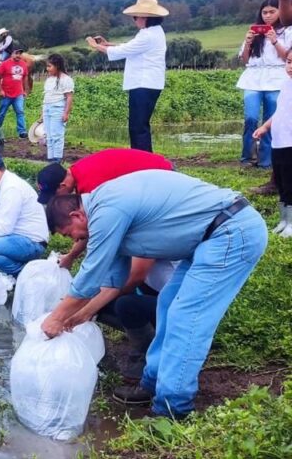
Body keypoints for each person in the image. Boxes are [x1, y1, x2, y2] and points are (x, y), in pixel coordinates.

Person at [42, 170, 267, 419]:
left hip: (230, 231)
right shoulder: (105, 212)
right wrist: (80, 315)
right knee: (167, 305)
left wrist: (56, 318)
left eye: (68, 233)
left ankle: (172, 408)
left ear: (76, 215)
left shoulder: (107, 210)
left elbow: (89, 276)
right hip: (208, 240)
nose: (74, 239)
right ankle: (152, 382)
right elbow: (113, 280)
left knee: (187, 317)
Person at [36, 148, 176, 269]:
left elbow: (94, 228)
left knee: (147, 251)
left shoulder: (91, 185)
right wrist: (72, 256)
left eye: (54, 196)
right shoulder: (79, 171)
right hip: (154, 179)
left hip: (163, 182)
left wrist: (74, 257)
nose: (56, 201)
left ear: (62, 186)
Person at [86, 0, 169, 152]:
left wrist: (96, 46)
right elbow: (130, 47)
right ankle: (143, 158)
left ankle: (143, 160)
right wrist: (108, 44)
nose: (134, 20)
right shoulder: (154, 32)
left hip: (143, 84)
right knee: (140, 125)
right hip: (149, 83)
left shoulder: (147, 36)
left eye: (135, 17)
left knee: (138, 126)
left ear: (145, 17)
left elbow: (122, 52)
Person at [74, 258, 176, 382]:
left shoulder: (143, 240)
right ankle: (149, 334)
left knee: (125, 305)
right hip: (155, 292)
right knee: (100, 300)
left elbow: (136, 276)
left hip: (179, 304)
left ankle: (147, 356)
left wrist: (88, 309)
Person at [239, 0, 291, 170]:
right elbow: (245, 60)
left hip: (277, 77)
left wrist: (275, 41)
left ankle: (266, 160)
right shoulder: (254, 31)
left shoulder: (287, 31)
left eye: (272, 12)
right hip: (253, 77)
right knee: (251, 117)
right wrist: (248, 42)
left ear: (280, 12)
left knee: (272, 119)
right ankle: (247, 156)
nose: (268, 16)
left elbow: (287, 58)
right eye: (265, 12)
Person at [252, 50, 292, 237]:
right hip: (279, 143)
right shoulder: (285, 85)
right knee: (282, 182)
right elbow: (279, 112)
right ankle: (284, 220)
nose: (290, 67)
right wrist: (265, 127)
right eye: (289, 62)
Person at [39, 54, 74, 162]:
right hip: (47, 108)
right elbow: (47, 97)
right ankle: (50, 157)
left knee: (56, 135)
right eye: (47, 66)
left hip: (57, 109)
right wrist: (42, 113)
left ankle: (57, 158)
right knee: (48, 135)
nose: (47, 69)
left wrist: (66, 113)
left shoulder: (66, 79)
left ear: (57, 66)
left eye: (50, 66)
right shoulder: (49, 79)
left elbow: (69, 97)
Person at [0, 49, 30, 139]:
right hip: (6, 94)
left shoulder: (23, 64)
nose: (18, 55)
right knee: (2, 113)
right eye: (16, 53)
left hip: (18, 93)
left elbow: (25, 77)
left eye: (20, 54)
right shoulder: (5, 64)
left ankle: (22, 131)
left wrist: (25, 90)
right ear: (12, 54)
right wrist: (0, 90)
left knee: (20, 111)